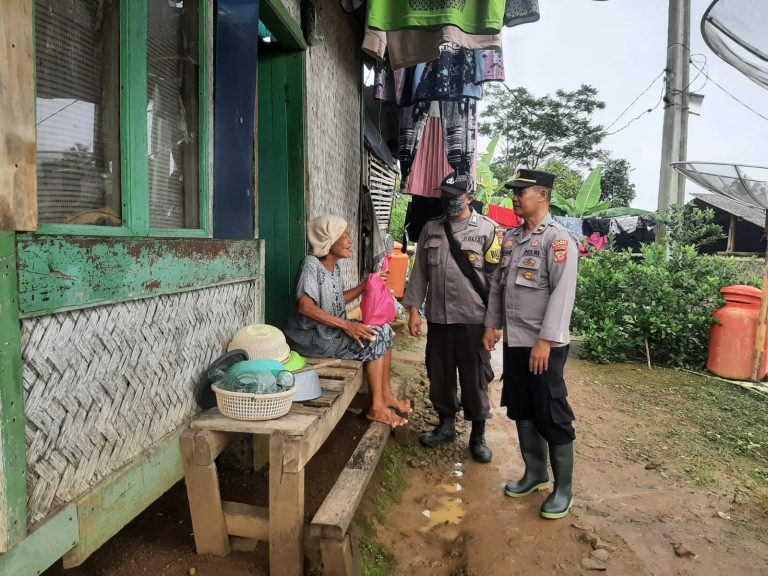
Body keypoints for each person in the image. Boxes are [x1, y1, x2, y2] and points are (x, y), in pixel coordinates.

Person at [482, 169, 578, 519]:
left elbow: (562, 294)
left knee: (551, 412)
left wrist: (546, 341)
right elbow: (498, 285)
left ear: (543, 196)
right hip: (517, 342)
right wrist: (492, 324)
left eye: (523, 192)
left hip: (543, 344)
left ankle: (563, 489)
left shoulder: (558, 239)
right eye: (515, 192)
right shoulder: (511, 238)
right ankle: (535, 473)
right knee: (521, 407)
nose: (516, 196)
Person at [403, 173, 499, 463]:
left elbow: (496, 281)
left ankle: (478, 435)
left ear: (469, 198)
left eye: (454, 197)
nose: (448, 201)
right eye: (444, 196)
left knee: (475, 378)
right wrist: (413, 311)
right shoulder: (431, 229)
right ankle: (446, 425)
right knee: (440, 375)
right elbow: (419, 273)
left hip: (474, 321)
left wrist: (494, 324)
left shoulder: (487, 230)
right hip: (440, 319)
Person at [284, 215, 410, 428]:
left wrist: (366, 284)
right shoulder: (311, 265)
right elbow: (305, 306)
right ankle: (376, 408)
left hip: (331, 335)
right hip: (316, 340)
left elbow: (336, 300)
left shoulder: (335, 269)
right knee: (375, 338)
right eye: (345, 235)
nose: (350, 240)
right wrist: (347, 325)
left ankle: (386, 395)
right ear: (329, 239)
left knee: (385, 330)